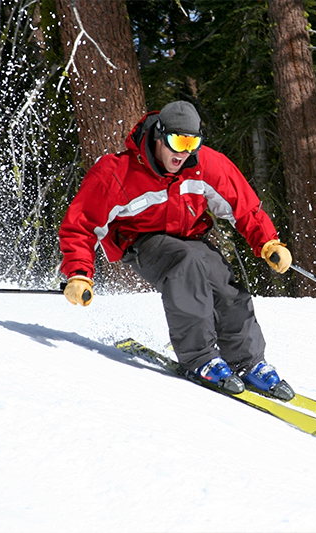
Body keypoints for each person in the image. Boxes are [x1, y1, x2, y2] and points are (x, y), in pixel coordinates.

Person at [58, 101, 294, 400]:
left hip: (190, 238)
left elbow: (243, 206)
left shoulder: (204, 164)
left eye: (192, 142)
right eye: (177, 141)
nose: (183, 152)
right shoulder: (117, 172)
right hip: (142, 241)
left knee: (223, 282)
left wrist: (268, 242)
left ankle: (248, 361)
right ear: (159, 136)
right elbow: (80, 226)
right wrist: (79, 273)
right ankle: (200, 357)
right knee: (187, 263)